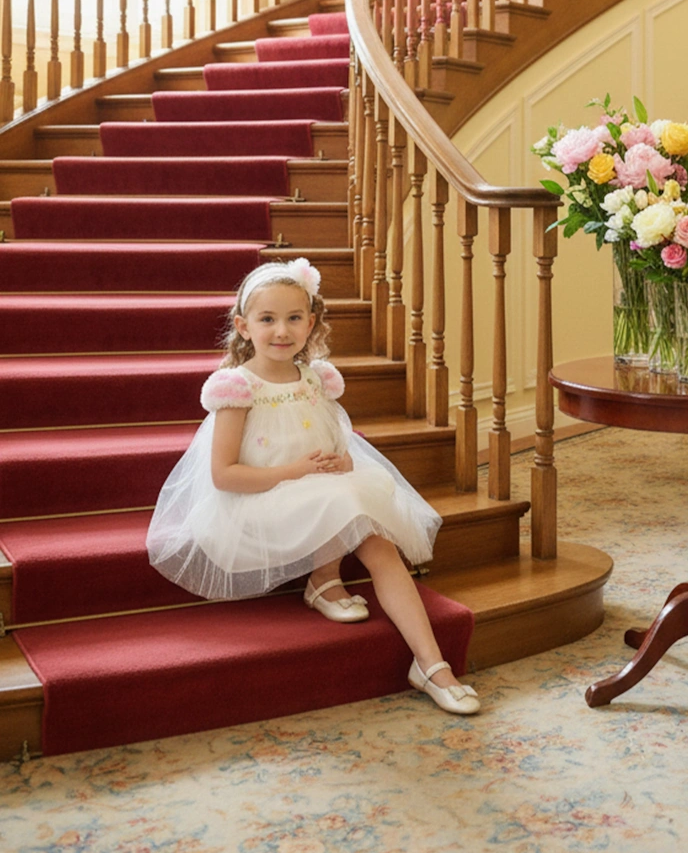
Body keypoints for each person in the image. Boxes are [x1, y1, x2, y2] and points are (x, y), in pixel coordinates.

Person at [146, 257, 479, 715]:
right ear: (243, 326)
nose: (281, 330)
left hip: (317, 492)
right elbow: (224, 475)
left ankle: (429, 662)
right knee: (350, 502)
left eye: (294, 318)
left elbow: (334, 441)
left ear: (311, 323)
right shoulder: (238, 389)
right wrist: (296, 472)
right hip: (261, 501)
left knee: (375, 534)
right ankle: (327, 584)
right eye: (267, 319)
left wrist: (339, 459)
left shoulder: (318, 379)